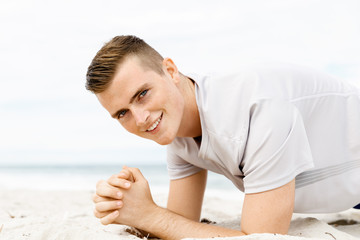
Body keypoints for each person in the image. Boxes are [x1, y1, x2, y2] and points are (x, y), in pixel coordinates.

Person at [86, 35, 360, 239]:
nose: (141, 118)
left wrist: (148, 214)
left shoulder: (260, 109)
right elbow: (180, 224)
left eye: (142, 94)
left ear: (170, 71)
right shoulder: (179, 132)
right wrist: (127, 204)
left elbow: (262, 238)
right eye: (123, 113)